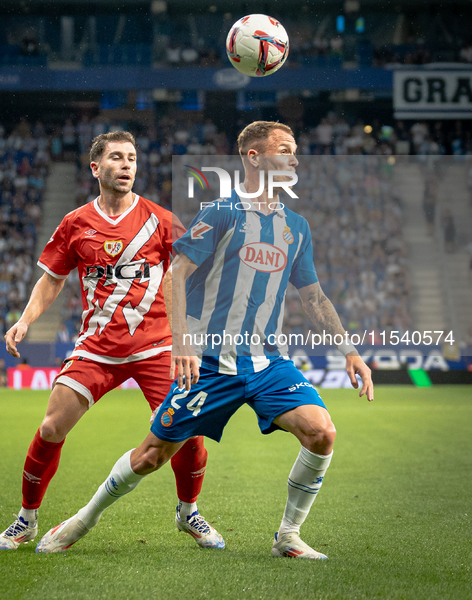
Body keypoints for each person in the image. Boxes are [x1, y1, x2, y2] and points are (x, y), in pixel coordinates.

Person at [35, 121, 374, 559]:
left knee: (322, 432)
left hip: (269, 364)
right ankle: (84, 518)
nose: (294, 158)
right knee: (152, 456)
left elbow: (314, 297)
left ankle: (287, 536)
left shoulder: (296, 226)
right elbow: (176, 274)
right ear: (253, 157)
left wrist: (349, 350)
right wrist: (183, 342)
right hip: (212, 363)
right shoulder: (220, 213)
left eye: (295, 151)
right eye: (284, 150)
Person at [0, 131, 223, 551]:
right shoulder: (75, 223)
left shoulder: (162, 220)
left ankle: (188, 512)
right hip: (96, 348)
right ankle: (25, 520)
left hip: (156, 346)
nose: (127, 165)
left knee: (189, 433)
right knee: (50, 427)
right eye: (117, 158)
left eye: (132, 158)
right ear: (96, 168)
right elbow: (51, 281)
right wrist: (24, 321)